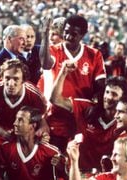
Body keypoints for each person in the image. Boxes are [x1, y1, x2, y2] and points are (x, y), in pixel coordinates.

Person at [40, 14, 106, 151]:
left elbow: (101, 86)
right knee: (57, 160)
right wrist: (45, 35)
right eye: (66, 32)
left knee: (78, 163)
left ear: (83, 35)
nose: (68, 37)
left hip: (82, 116)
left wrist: (97, 106)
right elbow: (45, 64)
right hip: (58, 115)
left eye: (74, 34)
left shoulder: (94, 54)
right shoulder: (54, 50)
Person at [50, 60, 127, 171]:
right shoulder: (88, 108)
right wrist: (63, 72)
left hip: (100, 178)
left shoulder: (123, 122)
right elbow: (55, 99)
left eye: (114, 94)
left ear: (123, 99)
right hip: (75, 171)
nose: (108, 97)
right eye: (107, 92)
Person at [0, 59, 48, 148]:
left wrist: (42, 131)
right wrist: (5, 134)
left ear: (23, 80)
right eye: (7, 78)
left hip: (24, 131)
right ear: (2, 77)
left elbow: (42, 120)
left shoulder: (35, 95)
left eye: (16, 79)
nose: (11, 84)